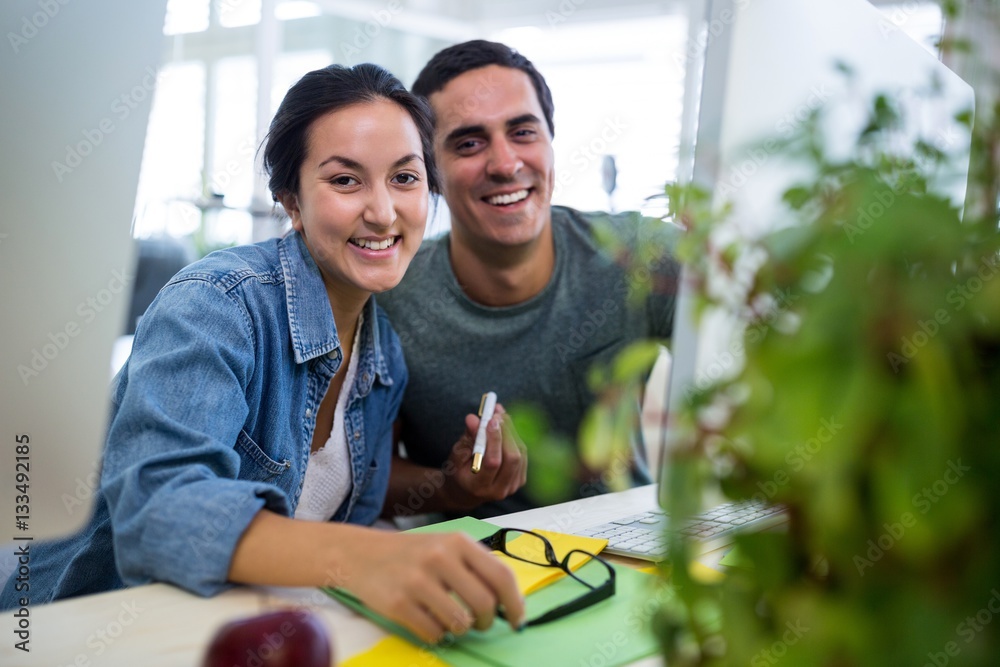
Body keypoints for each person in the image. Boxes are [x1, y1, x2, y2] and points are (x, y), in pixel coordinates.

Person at [0, 63, 523, 644]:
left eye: (404, 178)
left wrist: (451, 490)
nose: (382, 212)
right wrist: (362, 558)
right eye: (346, 181)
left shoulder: (382, 356)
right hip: (76, 635)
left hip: (245, 637)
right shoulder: (216, 306)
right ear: (291, 202)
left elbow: (346, 506)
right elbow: (159, 516)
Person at [378, 40, 680, 520]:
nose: (505, 164)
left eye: (522, 132)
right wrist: (453, 489)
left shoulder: (641, 255)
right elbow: (365, 475)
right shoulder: (390, 297)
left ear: (550, 143)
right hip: (473, 562)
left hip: (628, 551)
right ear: (430, 171)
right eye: (470, 143)